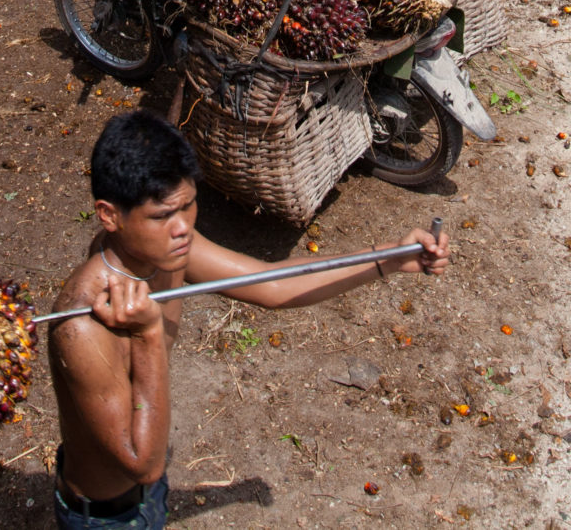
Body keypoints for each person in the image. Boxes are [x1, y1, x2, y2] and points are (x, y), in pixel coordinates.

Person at [45, 112, 448, 527]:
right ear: (110, 215)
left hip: (149, 488)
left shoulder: (162, 250)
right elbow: (141, 464)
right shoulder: (81, 326)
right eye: (164, 215)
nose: (183, 227)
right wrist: (147, 335)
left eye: (189, 206)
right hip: (106, 517)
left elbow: (272, 286)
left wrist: (387, 258)